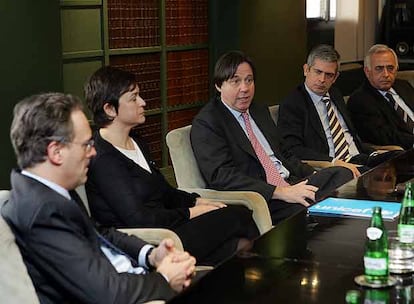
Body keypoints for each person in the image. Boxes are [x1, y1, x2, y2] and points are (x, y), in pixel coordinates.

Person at [1, 93, 196, 303]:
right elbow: (106, 293)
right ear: (56, 152)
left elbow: (100, 233)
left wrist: (150, 255)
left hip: (132, 278)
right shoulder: (42, 212)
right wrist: (165, 279)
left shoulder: (52, 191)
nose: (93, 152)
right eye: (86, 145)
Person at [84, 66, 259, 266]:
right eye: (133, 98)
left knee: (239, 245)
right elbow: (138, 218)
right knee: (238, 215)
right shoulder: (103, 158)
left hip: (171, 225)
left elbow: (165, 191)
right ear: (109, 109)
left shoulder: (137, 141)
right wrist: (191, 212)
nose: (143, 103)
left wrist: (196, 202)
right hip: (151, 241)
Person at [190, 50, 354, 224]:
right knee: (316, 206)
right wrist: (280, 192)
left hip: (291, 183)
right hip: (261, 198)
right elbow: (222, 176)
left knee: (343, 174)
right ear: (219, 85)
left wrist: (312, 175)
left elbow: (285, 153)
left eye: (249, 80)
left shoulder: (258, 110)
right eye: (235, 81)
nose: (244, 88)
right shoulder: (208, 122)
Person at [277, 44, 397, 178]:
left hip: (359, 157)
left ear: (335, 77)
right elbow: (293, 150)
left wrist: (373, 153)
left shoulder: (335, 94)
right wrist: (333, 162)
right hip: (333, 165)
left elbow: (351, 137)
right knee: (379, 175)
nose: (322, 80)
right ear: (306, 70)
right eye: (318, 72)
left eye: (328, 75)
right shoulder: (293, 104)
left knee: (400, 158)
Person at [347, 44, 414, 150]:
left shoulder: (404, 86)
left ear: (396, 70)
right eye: (379, 69)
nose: (386, 74)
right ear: (367, 72)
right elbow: (386, 137)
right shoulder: (360, 101)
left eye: (390, 68)